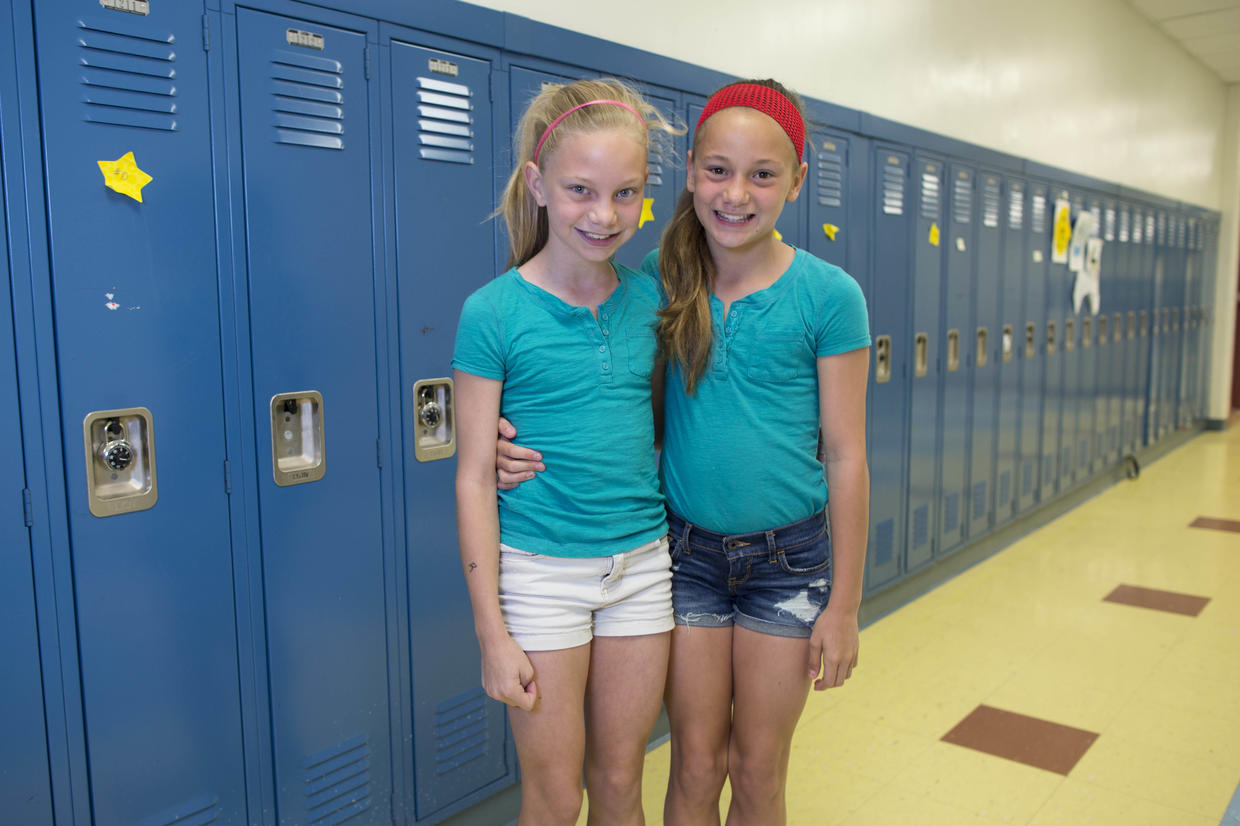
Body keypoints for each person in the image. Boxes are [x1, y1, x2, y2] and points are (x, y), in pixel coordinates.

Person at [497, 79, 871, 826]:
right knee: (695, 765)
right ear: (691, 169)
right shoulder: (662, 283)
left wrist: (845, 605)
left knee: (758, 769)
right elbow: (631, 414)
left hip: (789, 564)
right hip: (687, 557)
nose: (737, 193)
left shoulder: (830, 297)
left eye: (763, 174)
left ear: (797, 181)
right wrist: (514, 448)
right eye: (718, 170)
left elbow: (847, 454)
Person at [452, 78, 680, 826]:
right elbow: (472, 477)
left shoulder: (651, 300)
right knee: (555, 797)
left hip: (643, 569)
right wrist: (492, 632)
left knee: (621, 783)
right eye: (581, 189)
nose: (605, 214)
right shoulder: (493, 312)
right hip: (541, 578)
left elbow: (655, 426)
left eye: (626, 193)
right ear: (537, 185)